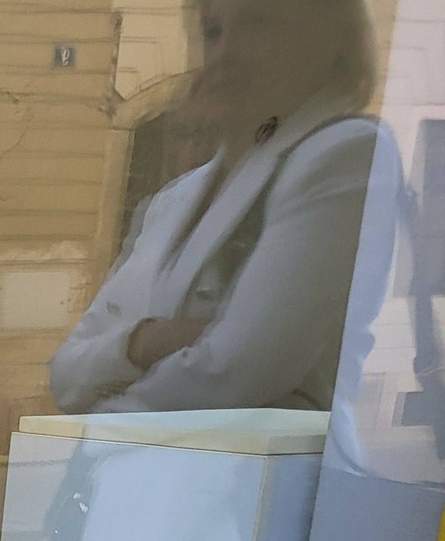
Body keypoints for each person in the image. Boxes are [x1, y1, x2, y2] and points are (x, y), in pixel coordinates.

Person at [50, 0, 381, 416]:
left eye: (260, 23)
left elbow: (236, 371)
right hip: (160, 453)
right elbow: (66, 375)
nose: (226, 53)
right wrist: (147, 341)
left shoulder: (344, 153)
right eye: (212, 31)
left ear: (331, 40)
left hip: (253, 459)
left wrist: (98, 429)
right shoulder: (174, 201)